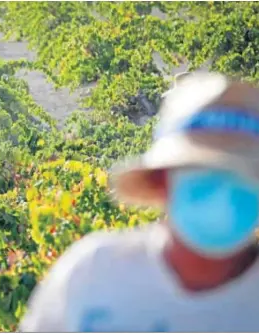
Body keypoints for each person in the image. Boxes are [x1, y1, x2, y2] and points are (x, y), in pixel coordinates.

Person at [20, 72, 259, 332]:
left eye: (241, 173)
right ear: (162, 181)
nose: (221, 197)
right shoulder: (92, 272)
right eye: (204, 174)